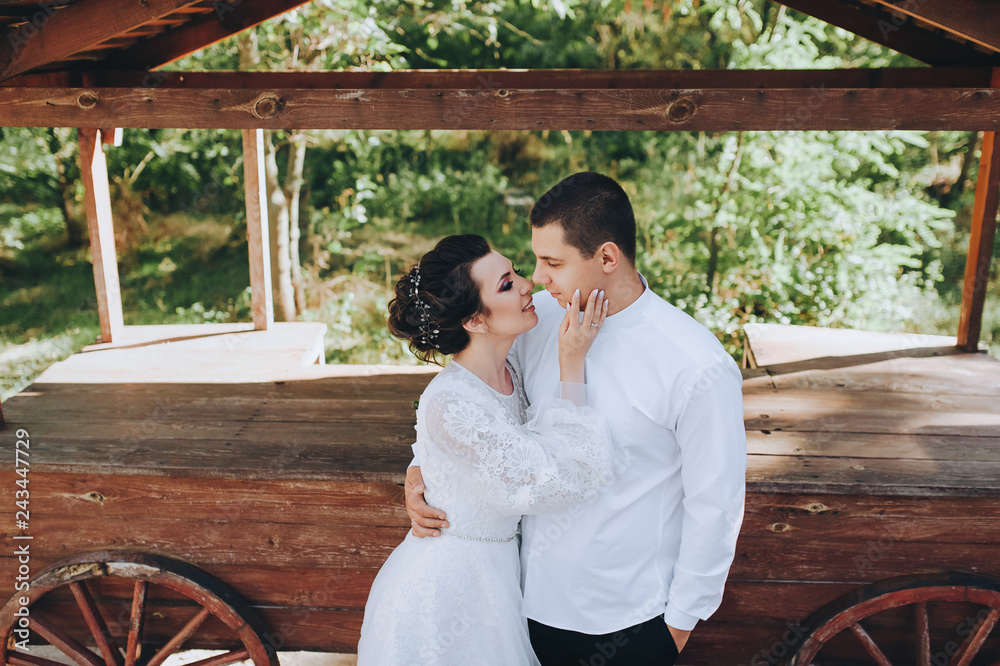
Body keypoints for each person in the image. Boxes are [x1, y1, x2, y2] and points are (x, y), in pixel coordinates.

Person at [406, 172, 747, 665]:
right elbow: (473, 401)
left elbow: (716, 504)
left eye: (553, 262)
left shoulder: (695, 364)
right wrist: (421, 471)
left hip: (629, 621)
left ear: (607, 258)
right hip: (522, 604)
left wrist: (678, 623)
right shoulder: (532, 320)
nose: (538, 278)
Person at [358, 233, 624, 665]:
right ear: (475, 321)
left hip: (501, 575)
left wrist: (420, 465)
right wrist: (572, 361)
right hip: (449, 590)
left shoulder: (510, 364)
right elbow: (563, 483)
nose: (527, 284)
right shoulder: (450, 402)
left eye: (515, 271)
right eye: (506, 284)